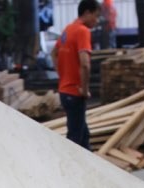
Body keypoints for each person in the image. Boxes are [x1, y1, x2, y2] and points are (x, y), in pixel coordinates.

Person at [51, 0, 101, 150]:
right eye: (96, 16)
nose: (97, 20)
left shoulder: (68, 29)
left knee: (83, 136)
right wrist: (84, 90)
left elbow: (54, 53)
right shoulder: (82, 31)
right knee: (75, 142)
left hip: (64, 91)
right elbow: (85, 64)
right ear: (87, 13)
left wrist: (62, 74)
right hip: (75, 93)